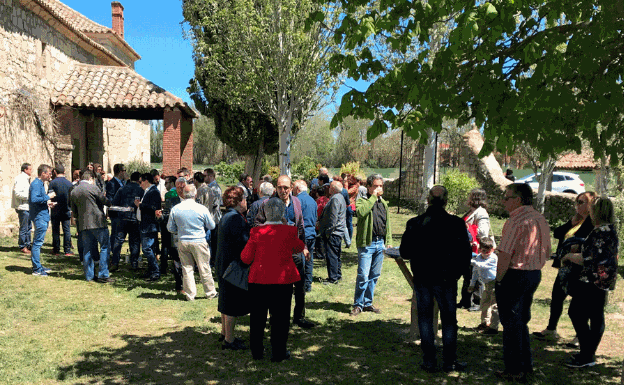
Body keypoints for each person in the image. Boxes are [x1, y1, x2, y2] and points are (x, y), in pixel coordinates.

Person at [400, 185, 471, 373]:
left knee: (425, 318)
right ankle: (449, 361)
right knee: (448, 320)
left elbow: (405, 251)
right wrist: (457, 273)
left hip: (424, 277)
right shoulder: (456, 223)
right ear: (446, 201)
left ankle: (429, 360)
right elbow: (466, 254)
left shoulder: (415, 223)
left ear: (428, 200)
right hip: (446, 278)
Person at [495, 183, 550, 382]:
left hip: (515, 275)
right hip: (533, 274)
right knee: (521, 322)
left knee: (511, 325)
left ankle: (514, 369)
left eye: (507, 197)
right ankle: (525, 364)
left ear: (517, 200)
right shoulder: (540, 218)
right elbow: (548, 251)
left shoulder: (515, 221)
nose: (503, 201)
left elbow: (504, 255)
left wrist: (499, 280)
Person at [241, 198, 305, 362]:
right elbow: (299, 247)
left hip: (259, 281)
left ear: (264, 213)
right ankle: (279, 353)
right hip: (282, 282)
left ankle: (257, 352)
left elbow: (246, 258)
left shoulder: (256, 232)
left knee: (257, 318)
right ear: (283, 213)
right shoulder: (288, 231)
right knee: (281, 319)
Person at [560, 196, 618, 368]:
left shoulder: (600, 231)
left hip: (592, 280)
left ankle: (587, 354)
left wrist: (568, 256)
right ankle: (588, 353)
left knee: (576, 313)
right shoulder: (610, 229)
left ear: (597, 211)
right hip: (603, 280)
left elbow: (588, 258)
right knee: (595, 315)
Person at [533, 191, 597, 345]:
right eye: (577, 202)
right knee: (557, 297)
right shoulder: (577, 220)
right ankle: (551, 329)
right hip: (565, 266)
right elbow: (557, 233)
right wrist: (571, 223)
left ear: (591, 205)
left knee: (579, 303)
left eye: (581, 202)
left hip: (579, 267)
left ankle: (578, 336)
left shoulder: (592, 222)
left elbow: (584, 242)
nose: (577, 205)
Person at [255, 175, 315, 329]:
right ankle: (277, 318)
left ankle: (299, 317)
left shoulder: (296, 202)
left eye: (286, 188)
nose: (283, 190)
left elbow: (300, 226)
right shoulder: (268, 203)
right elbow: (257, 224)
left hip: (294, 250)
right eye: (280, 187)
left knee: (300, 286)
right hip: (275, 251)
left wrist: (305, 247)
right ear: (276, 187)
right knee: (278, 288)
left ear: (291, 188)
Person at [350, 174, 392, 316]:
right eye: (375, 186)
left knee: (374, 275)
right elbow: (361, 213)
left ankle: (368, 303)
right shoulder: (362, 200)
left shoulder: (384, 203)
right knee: (363, 275)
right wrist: (373, 197)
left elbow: (388, 224)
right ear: (368, 187)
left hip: (380, 243)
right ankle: (358, 304)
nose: (378, 188)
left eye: (380, 186)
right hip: (367, 244)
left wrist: (389, 241)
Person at [167, 184, 217, 301]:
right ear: (195, 194)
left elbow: (170, 227)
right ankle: (210, 293)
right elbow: (212, 225)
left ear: (183, 194)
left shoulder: (176, 208)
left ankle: (190, 294)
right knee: (204, 267)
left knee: (187, 269)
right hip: (199, 240)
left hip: (183, 240)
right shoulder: (202, 208)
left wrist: (179, 231)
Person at [215, 186, 250, 350]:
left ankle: (224, 333)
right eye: (244, 199)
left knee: (225, 298)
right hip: (232, 265)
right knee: (231, 303)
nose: (246, 202)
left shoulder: (226, 216)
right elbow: (242, 242)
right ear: (238, 201)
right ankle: (229, 340)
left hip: (223, 263)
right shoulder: (236, 219)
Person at [70, 170, 113, 283]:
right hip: (98, 222)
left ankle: (89, 275)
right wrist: (110, 203)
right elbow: (104, 201)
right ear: (91, 179)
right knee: (104, 247)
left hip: (84, 224)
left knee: (87, 250)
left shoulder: (74, 191)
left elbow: (74, 210)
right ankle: (103, 274)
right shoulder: (93, 188)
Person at [459, 188, 495, 310]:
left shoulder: (482, 213)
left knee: (476, 275)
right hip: (466, 248)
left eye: (470, 196)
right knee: (467, 275)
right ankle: (465, 300)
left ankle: (477, 302)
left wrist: (467, 228)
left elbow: (483, 232)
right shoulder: (472, 211)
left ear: (474, 198)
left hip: (476, 248)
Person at [111, 171, 144, 270]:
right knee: (134, 241)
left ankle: (115, 262)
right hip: (135, 218)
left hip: (122, 217)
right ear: (139, 179)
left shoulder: (122, 189)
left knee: (119, 240)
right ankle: (134, 263)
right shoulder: (141, 190)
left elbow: (114, 203)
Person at [29, 164, 56, 276]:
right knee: (37, 243)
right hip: (39, 217)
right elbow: (34, 199)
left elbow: (38, 200)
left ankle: (38, 266)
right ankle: (36, 269)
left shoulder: (40, 184)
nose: (50, 175)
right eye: (49, 173)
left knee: (39, 242)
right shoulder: (36, 184)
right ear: (43, 173)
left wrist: (47, 203)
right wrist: (48, 197)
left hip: (42, 214)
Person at [468, 237, 499, 335]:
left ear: (492, 249)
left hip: (494, 283)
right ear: (480, 249)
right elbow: (475, 272)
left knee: (494, 305)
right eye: (483, 250)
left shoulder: (493, 258)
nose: (486, 253)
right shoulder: (478, 258)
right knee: (484, 303)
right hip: (486, 284)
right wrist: (472, 284)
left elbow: (482, 265)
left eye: (488, 251)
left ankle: (493, 327)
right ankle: (485, 323)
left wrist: (469, 261)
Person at [318, 181, 347, 284]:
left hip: (334, 233)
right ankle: (337, 275)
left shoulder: (335, 198)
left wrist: (328, 232)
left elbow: (333, 218)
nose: (328, 188)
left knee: (332, 256)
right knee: (336, 255)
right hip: (338, 232)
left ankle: (333, 278)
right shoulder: (340, 197)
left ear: (333, 189)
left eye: (330, 187)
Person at [135, 173, 162, 281]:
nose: (140, 184)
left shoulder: (154, 191)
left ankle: (155, 271)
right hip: (145, 223)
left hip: (150, 224)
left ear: (146, 181)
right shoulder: (147, 191)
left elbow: (154, 208)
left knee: (147, 248)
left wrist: (140, 205)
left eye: (141, 181)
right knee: (147, 248)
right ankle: (151, 270)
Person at [292, 180, 318, 292]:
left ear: (297, 189)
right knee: (309, 260)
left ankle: (301, 285)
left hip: (303, 234)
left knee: (300, 260)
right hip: (312, 233)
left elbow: (295, 218)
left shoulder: (297, 201)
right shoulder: (313, 200)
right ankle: (308, 284)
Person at [49, 164, 74, 256]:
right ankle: (67, 250)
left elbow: (50, 195)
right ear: (64, 172)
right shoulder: (69, 183)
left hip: (55, 209)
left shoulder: (52, 183)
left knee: (55, 230)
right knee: (66, 230)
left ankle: (56, 250)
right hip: (66, 209)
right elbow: (72, 197)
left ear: (55, 172)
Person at [106, 163, 126, 271]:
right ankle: (113, 256)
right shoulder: (112, 184)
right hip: (116, 213)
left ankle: (115, 256)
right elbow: (109, 199)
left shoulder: (124, 183)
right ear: (120, 171)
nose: (125, 173)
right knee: (115, 235)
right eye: (124, 170)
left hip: (124, 213)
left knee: (118, 235)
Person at [12, 163, 32, 254]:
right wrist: (29, 197)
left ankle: (28, 244)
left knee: (28, 227)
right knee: (24, 227)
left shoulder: (25, 179)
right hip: (23, 207)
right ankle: (22, 246)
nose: (31, 171)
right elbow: (17, 193)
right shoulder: (20, 179)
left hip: (27, 207)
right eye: (30, 169)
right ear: (25, 170)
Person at [204, 168, 222, 265]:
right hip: (211, 219)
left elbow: (213, 205)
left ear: (210, 176)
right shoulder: (210, 187)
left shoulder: (214, 188)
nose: (203, 177)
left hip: (213, 219)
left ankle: (212, 261)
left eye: (205, 175)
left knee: (212, 242)